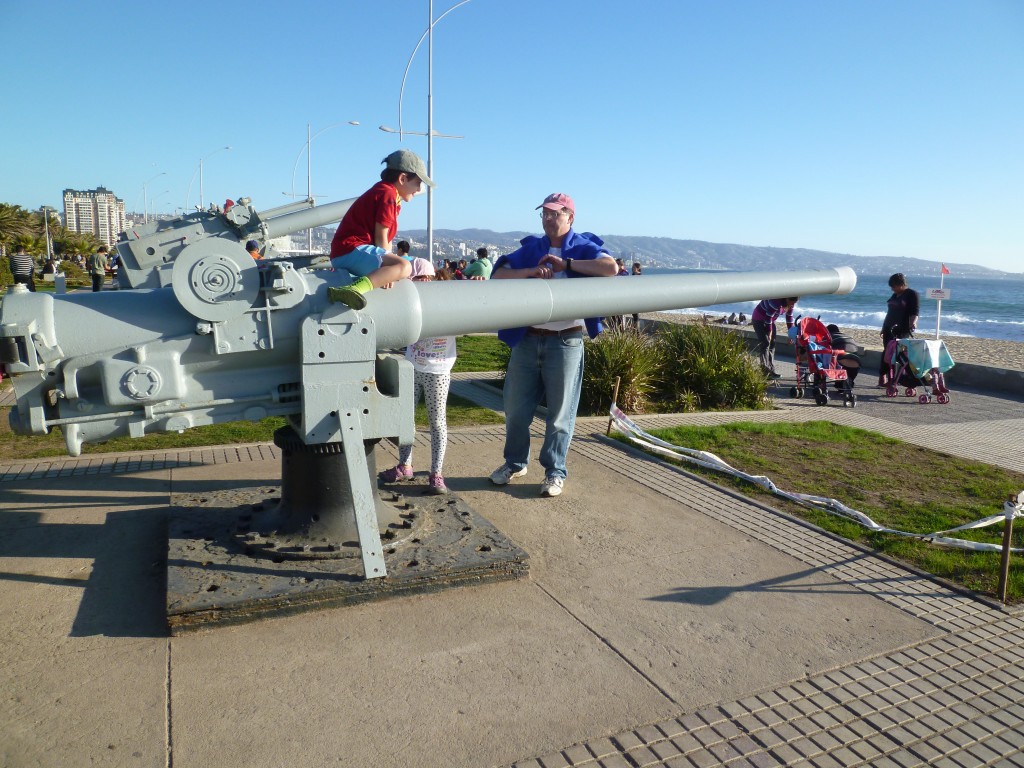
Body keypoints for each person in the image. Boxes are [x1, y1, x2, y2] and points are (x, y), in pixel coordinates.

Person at [488, 192, 618, 498]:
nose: (548, 219)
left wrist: (567, 263)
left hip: (566, 341)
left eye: (555, 214)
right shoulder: (532, 247)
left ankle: (555, 471)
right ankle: (515, 462)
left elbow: (611, 268)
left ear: (570, 217)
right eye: (544, 214)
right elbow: (499, 274)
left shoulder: (586, 247)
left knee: (560, 414)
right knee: (515, 409)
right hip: (528, 338)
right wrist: (531, 272)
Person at [379, 258, 455, 495]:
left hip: (438, 370)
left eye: (419, 279)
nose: (417, 284)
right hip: (413, 367)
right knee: (405, 419)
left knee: (437, 422)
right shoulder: (409, 301)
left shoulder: (447, 299)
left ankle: (436, 473)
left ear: (428, 279)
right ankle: (405, 465)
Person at [326, 149, 432, 310]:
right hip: (350, 250)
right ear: (402, 178)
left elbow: (386, 240)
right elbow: (382, 237)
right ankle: (352, 290)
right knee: (405, 267)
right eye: (417, 182)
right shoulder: (388, 194)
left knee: (405, 266)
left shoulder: (388, 193)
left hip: (347, 251)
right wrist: (388, 270)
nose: (418, 189)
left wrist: (388, 270)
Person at [878, 272, 919, 386]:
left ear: (901, 284)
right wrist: (883, 327)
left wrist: (913, 323)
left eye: (893, 286)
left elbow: (915, 311)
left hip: (901, 329)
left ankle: (896, 378)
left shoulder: (911, 294)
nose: (892, 289)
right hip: (888, 328)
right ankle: (884, 377)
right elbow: (889, 312)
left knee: (898, 353)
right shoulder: (895, 295)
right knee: (887, 352)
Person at [751, 297, 798, 378]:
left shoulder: (790, 304)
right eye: (792, 302)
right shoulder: (775, 301)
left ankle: (771, 371)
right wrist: (769, 332)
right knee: (765, 343)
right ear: (787, 299)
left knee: (772, 344)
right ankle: (765, 371)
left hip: (770, 320)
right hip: (759, 318)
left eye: (794, 303)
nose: (792, 305)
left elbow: (789, 318)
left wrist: (791, 335)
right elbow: (768, 316)